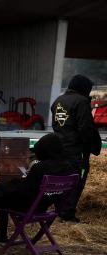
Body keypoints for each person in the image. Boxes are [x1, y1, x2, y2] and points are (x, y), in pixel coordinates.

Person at [0, 133, 75, 242]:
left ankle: (1, 235)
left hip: (31, 208)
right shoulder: (68, 167)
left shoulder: (40, 168)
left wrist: (4, 187)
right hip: (45, 206)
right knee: (4, 190)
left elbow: (25, 191)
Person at [51, 74, 102, 222]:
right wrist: (93, 147)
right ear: (83, 88)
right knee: (76, 180)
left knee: (61, 180)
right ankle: (67, 213)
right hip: (76, 152)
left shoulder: (58, 101)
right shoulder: (81, 102)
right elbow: (85, 128)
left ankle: (59, 208)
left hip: (60, 149)